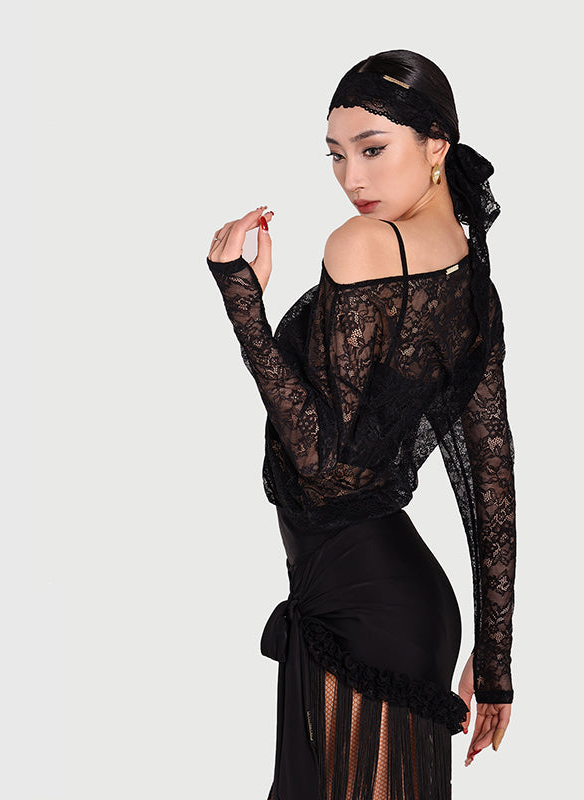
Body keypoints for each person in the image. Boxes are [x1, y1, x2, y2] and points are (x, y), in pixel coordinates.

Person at [206, 49, 516, 800]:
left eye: (373, 149)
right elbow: (493, 474)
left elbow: (323, 469)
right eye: (337, 156)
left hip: (360, 612)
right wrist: (494, 658)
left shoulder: (360, 245)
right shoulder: (472, 281)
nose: (352, 178)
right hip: (404, 611)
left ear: (436, 145)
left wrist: (243, 307)